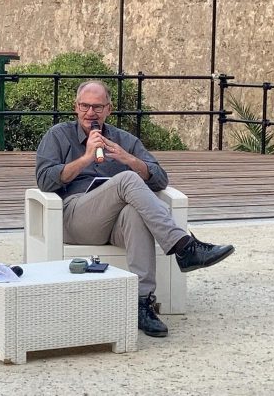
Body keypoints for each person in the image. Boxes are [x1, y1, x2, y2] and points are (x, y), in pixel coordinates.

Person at [35, 80, 235, 338]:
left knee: (134, 213)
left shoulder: (124, 140)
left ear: (109, 109)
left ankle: (142, 303)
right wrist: (85, 158)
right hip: (77, 218)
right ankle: (185, 248)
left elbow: (160, 179)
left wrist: (128, 158)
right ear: (76, 107)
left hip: (115, 223)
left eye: (97, 107)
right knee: (128, 180)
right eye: (85, 106)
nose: (90, 113)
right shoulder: (58, 135)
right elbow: (45, 179)